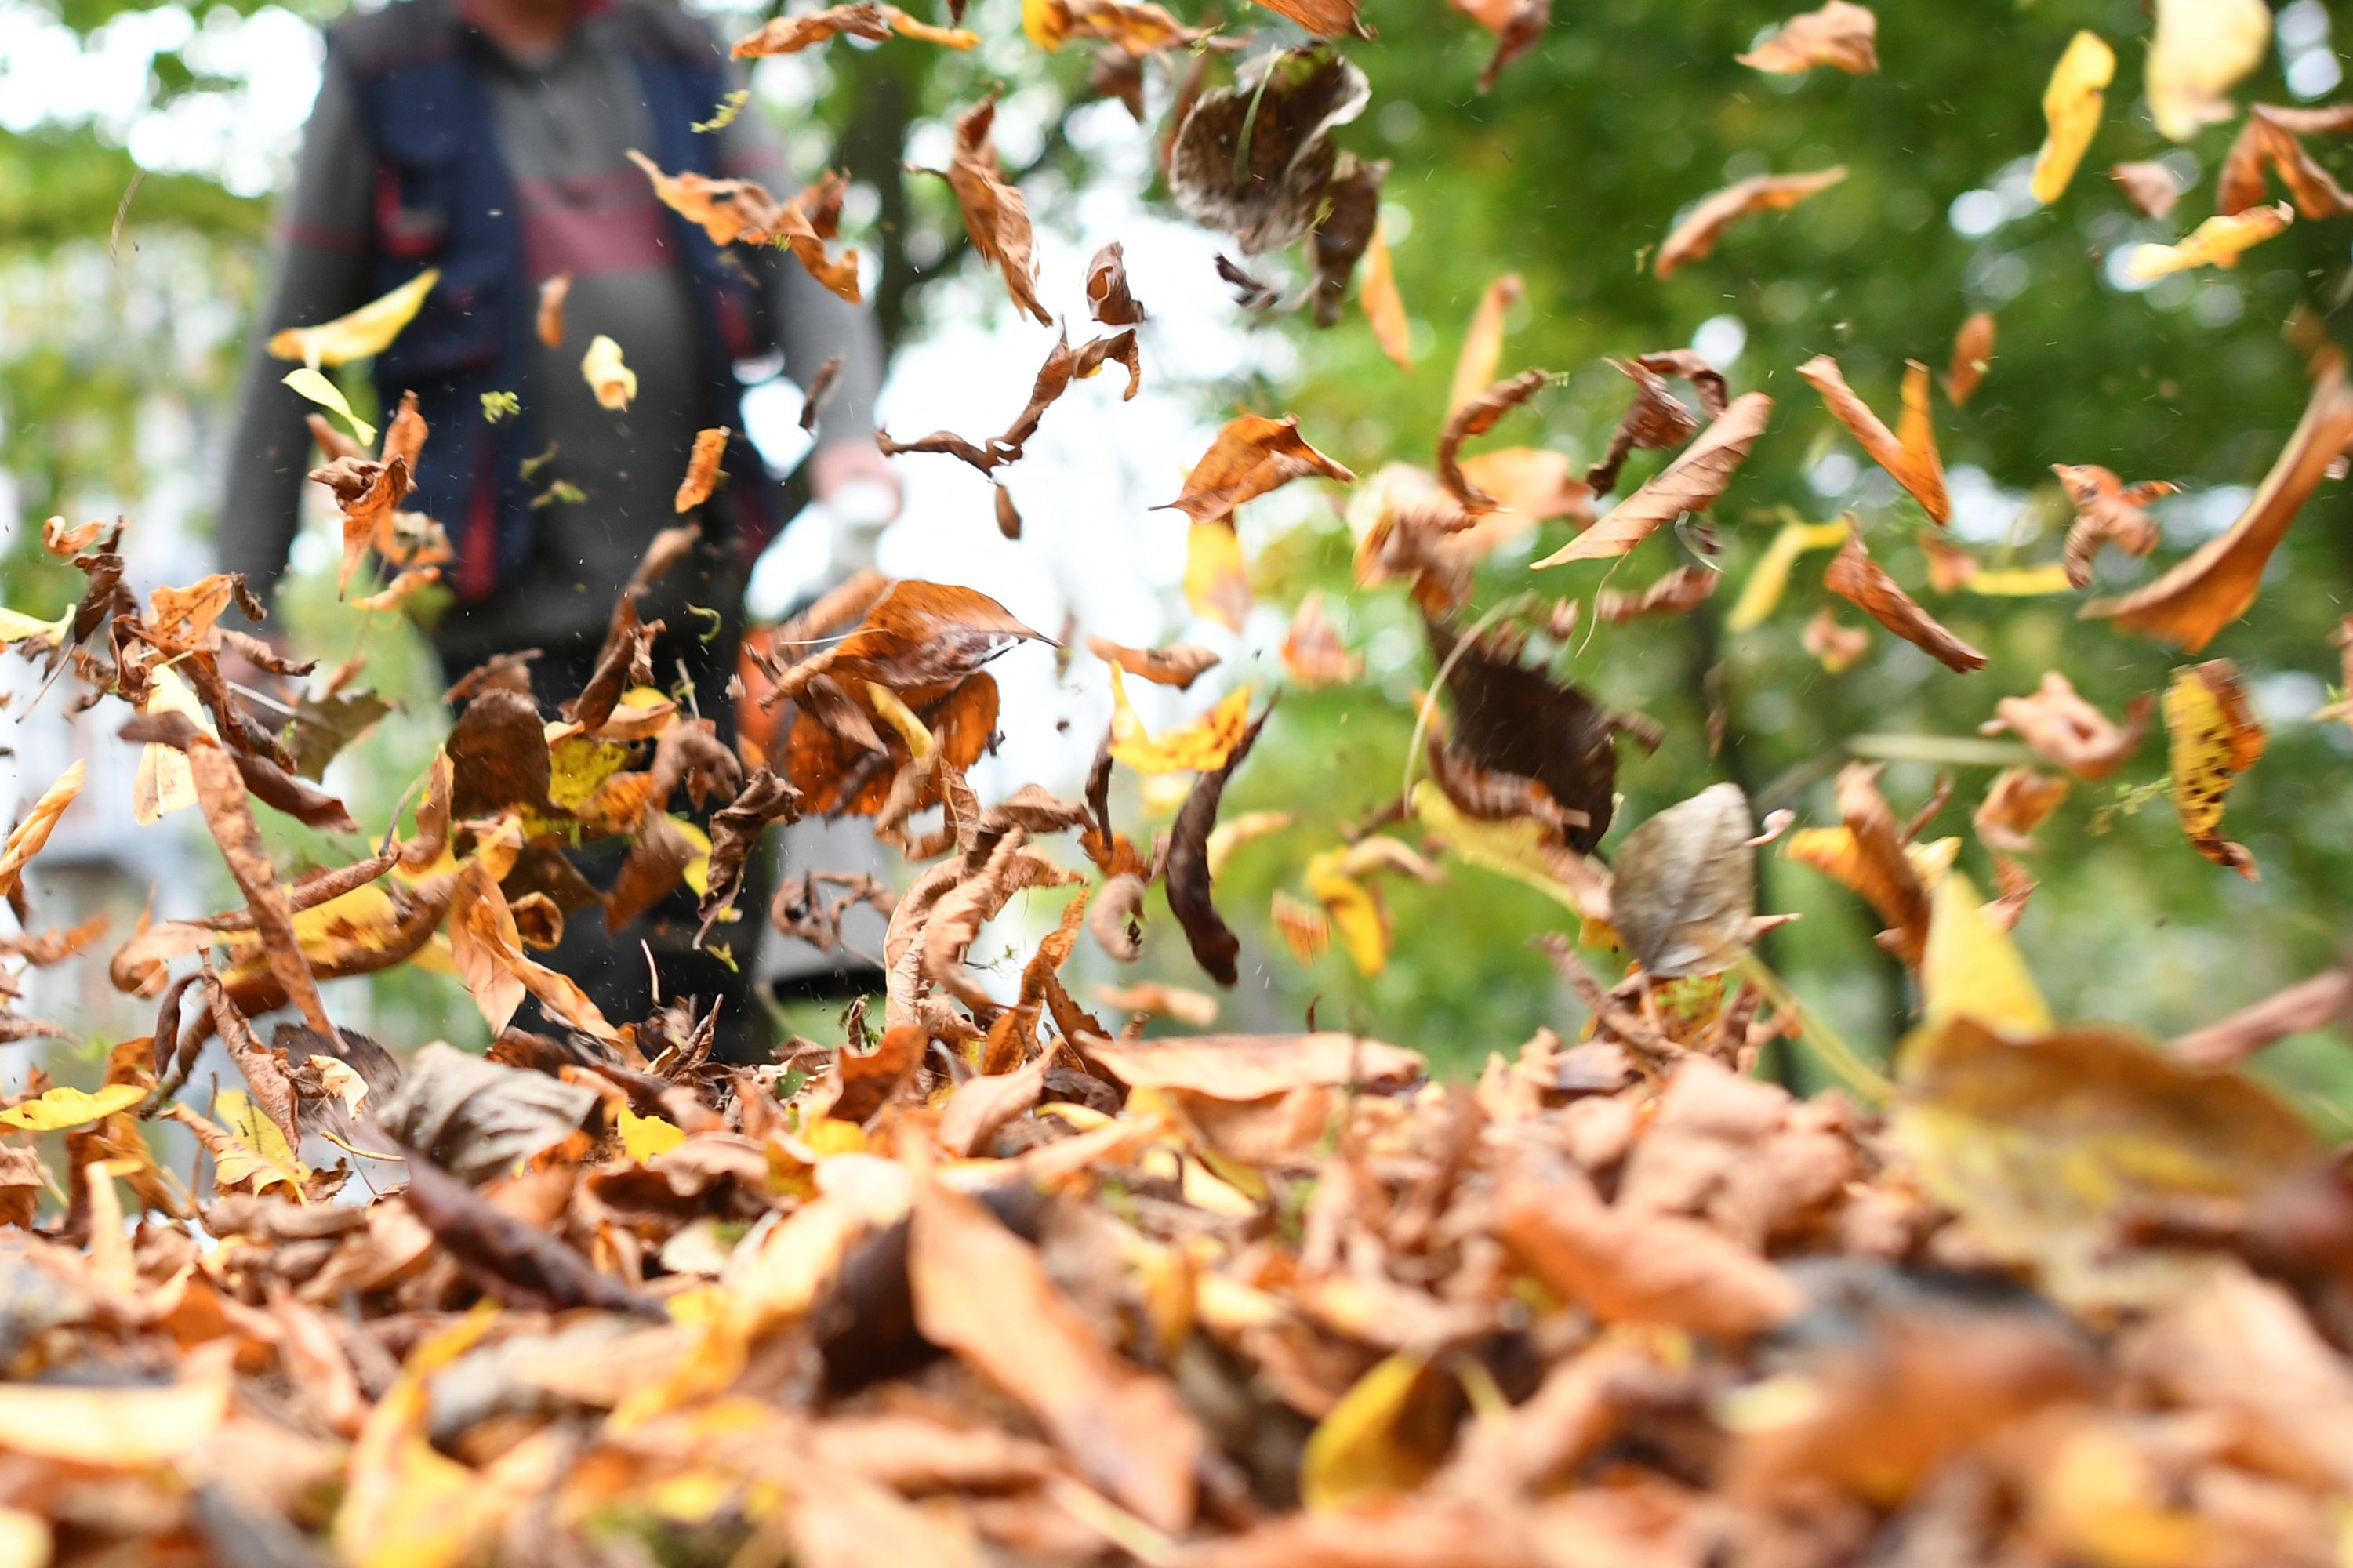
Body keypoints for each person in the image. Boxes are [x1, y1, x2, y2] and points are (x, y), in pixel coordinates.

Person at [218, 0, 894, 1053]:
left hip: (696, 585)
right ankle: (586, 1175)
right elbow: (287, 348)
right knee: (577, 952)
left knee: (707, 920)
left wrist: (848, 430)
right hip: (502, 608)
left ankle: (716, 1185)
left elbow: (800, 253)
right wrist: (242, 596)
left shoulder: (677, 50)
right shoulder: (379, 72)